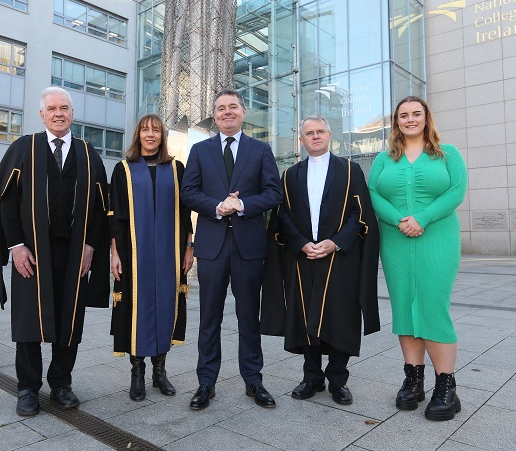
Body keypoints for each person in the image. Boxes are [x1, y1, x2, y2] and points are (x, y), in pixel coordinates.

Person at [0, 87, 110, 417]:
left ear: (72, 114)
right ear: (41, 115)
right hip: (32, 254)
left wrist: (91, 246)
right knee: (29, 321)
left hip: (74, 253)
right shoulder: (24, 149)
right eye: (52, 109)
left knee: (69, 320)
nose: (59, 113)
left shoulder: (88, 155)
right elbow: (7, 201)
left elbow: (102, 208)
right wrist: (15, 246)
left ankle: (61, 383)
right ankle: (28, 387)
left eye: (65, 108)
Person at [262, 116, 380, 405]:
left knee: (340, 316)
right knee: (305, 316)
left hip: (339, 257)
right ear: (301, 140)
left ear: (330, 136)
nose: (315, 136)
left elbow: (360, 214)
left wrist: (336, 242)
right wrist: (302, 243)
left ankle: (338, 379)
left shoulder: (351, 171)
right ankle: (312, 377)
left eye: (320, 132)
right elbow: (283, 216)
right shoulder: (290, 175)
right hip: (302, 258)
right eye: (309, 133)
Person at [181, 89, 282, 410]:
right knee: (209, 318)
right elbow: (188, 192)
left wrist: (241, 205)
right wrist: (216, 206)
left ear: (243, 111)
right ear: (215, 114)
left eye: (233, 107)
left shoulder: (260, 149)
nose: (227, 112)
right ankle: (205, 382)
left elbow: (273, 192)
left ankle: (253, 380)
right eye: (221, 108)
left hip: (248, 247)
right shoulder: (199, 150)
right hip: (211, 248)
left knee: (248, 317)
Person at [368, 95, 467, 421]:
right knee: (405, 307)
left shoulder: (447, 153)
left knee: (432, 307)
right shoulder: (385, 158)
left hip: (436, 239)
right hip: (396, 242)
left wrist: (422, 217)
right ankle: (414, 380)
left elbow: (456, 191)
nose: (410, 119)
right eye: (403, 115)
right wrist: (398, 219)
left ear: (426, 118)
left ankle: (446, 387)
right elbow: (373, 193)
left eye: (416, 114)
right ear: (396, 122)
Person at [109, 114, 194, 401]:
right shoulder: (123, 170)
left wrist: (189, 247)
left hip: (169, 254)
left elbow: (184, 213)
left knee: (164, 306)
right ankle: (138, 373)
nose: (150, 135)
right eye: (145, 130)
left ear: (161, 136)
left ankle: (160, 372)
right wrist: (115, 253)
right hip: (135, 254)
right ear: (138, 135)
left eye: (155, 130)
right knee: (136, 306)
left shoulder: (176, 169)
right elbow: (116, 215)